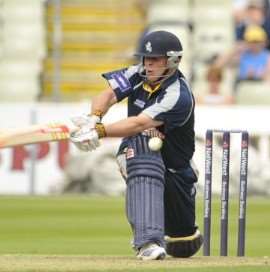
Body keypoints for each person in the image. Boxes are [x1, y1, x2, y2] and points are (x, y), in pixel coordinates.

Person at [69, 30, 203, 261]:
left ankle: (177, 233)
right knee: (143, 148)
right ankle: (147, 243)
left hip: (176, 168)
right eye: (146, 59)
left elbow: (140, 122)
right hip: (138, 151)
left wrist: (99, 132)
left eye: (155, 60)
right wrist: (94, 117)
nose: (148, 65)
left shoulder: (178, 95)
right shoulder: (136, 73)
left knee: (183, 245)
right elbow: (109, 95)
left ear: (173, 61)